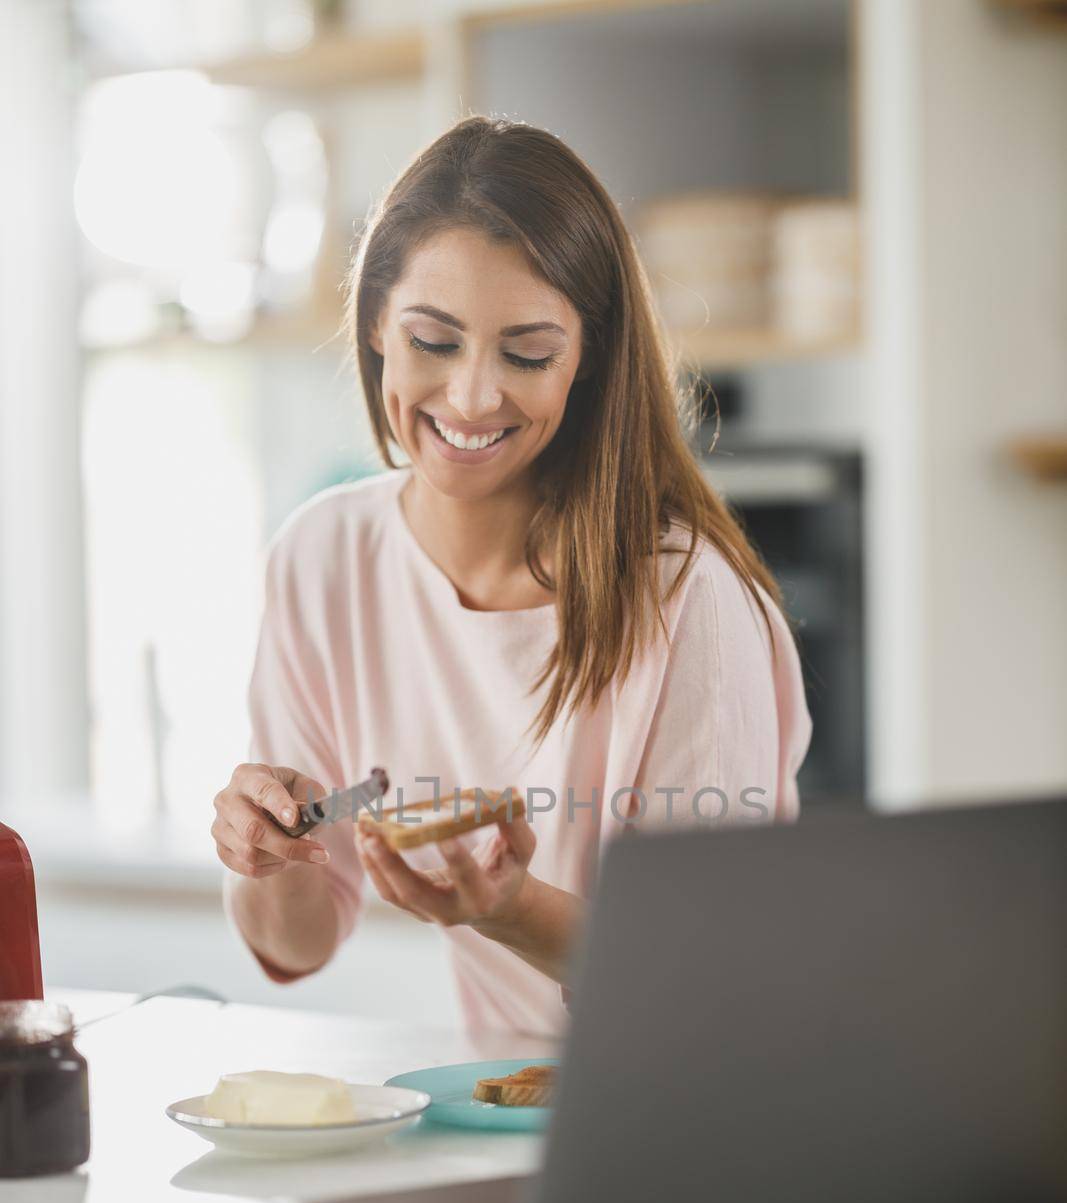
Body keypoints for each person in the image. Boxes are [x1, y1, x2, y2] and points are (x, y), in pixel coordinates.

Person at [214, 114, 813, 1038]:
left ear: (587, 358)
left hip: (703, 1101)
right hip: (502, 1107)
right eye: (433, 341)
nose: (470, 397)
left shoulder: (687, 596)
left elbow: (710, 974)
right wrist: (268, 855)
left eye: (527, 353)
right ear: (377, 321)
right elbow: (295, 948)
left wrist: (506, 908)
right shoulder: (323, 558)